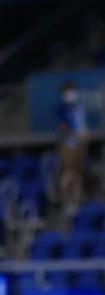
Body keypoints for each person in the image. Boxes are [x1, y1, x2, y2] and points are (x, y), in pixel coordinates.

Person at [56, 81, 88, 223]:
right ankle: (66, 201)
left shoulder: (79, 108)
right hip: (68, 145)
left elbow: (82, 124)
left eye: (73, 91)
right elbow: (63, 127)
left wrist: (85, 134)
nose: (71, 94)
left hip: (80, 144)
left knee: (78, 174)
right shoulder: (62, 109)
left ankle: (76, 201)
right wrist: (75, 135)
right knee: (68, 173)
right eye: (69, 92)